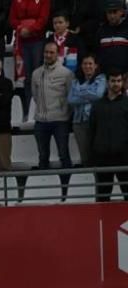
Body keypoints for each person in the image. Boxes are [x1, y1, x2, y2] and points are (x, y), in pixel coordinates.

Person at [31, 41, 74, 171]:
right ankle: (44, 187)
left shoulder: (66, 73)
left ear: (57, 54)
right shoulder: (36, 73)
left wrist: (63, 112)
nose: (48, 55)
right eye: (46, 52)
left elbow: (71, 97)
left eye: (51, 52)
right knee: (43, 156)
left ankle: (67, 186)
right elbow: (35, 95)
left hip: (60, 121)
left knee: (63, 154)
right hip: (41, 121)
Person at [88, 68, 128, 202]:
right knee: (102, 197)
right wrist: (92, 154)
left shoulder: (127, 103)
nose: (116, 84)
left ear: (122, 83)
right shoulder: (97, 105)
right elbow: (91, 131)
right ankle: (101, 223)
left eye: (119, 81)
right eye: (113, 81)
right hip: (102, 157)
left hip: (124, 157)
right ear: (107, 82)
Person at [68, 54, 105, 167]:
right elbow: (71, 100)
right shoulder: (75, 81)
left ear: (95, 66)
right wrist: (89, 93)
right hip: (79, 123)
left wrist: (80, 92)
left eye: (90, 64)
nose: (87, 66)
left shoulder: (101, 78)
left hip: (95, 122)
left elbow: (98, 95)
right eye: (85, 64)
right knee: (85, 156)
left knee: (97, 154)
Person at [9, 0, 49, 94]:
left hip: (37, 40)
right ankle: (27, 103)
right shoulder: (16, 1)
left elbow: (43, 18)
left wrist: (30, 29)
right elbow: (12, 19)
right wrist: (20, 28)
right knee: (26, 76)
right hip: (21, 42)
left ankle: (39, 101)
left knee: (38, 73)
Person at [97, 0, 128, 74]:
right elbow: (97, 52)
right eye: (109, 12)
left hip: (124, 76)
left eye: (115, 12)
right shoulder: (101, 31)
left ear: (122, 12)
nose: (112, 16)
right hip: (104, 75)